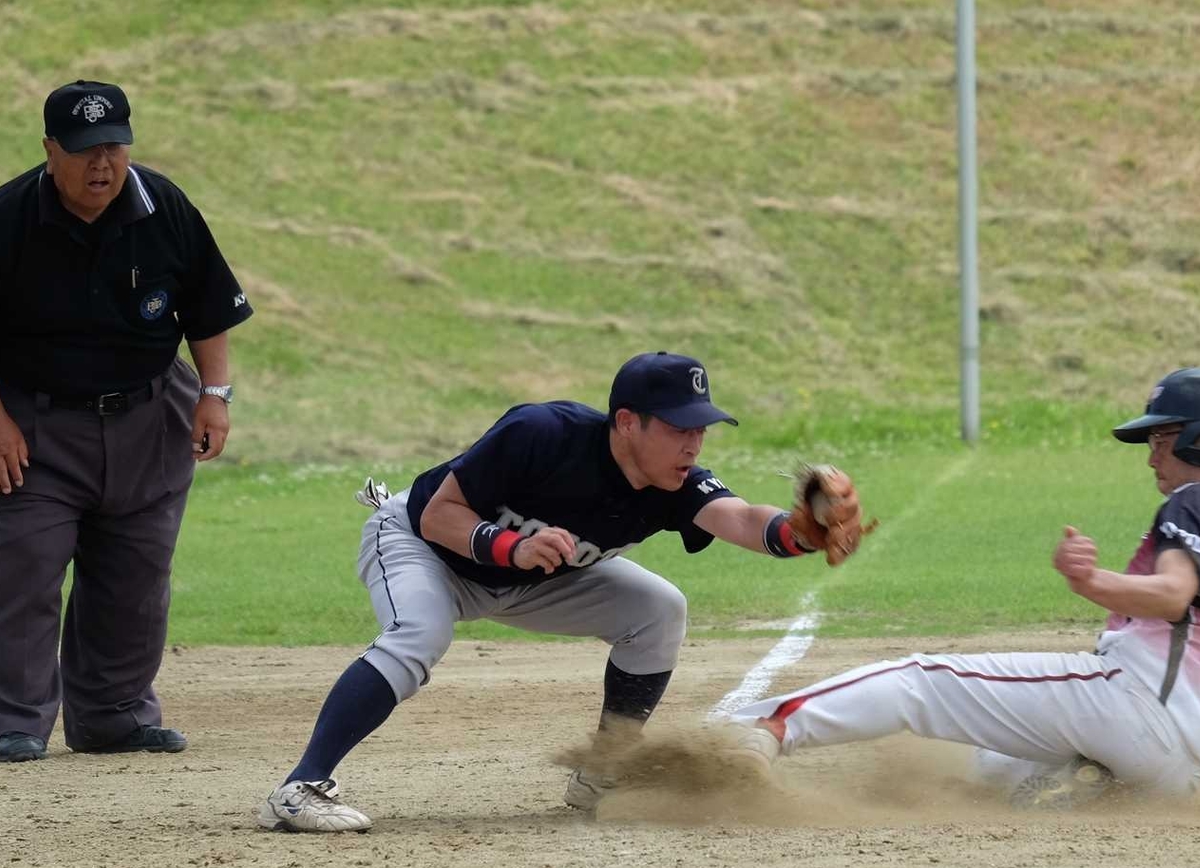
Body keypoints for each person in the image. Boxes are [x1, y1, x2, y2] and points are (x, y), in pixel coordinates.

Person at [257, 352, 864, 833]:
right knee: (419, 633)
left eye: (701, 428)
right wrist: (512, 549)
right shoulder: (540, 432)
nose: (693, 444)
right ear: (628, 422)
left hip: (531, 576)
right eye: (679, 427)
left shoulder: (675, 482)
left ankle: (601, 771)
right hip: (424, 547)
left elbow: (740, 518)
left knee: (659, 610)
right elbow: (439, 514)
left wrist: (801, 534)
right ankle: (302, 785)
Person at [732, 367, 1200, 805]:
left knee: (921, 681)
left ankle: (761, 733)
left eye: (1162, 438)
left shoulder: (1198, 499)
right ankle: (1083, 782)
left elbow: (1172, 595)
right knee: (990, 773)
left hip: (1130, 707)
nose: (1151, 455)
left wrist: (1089, 579)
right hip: (1183, 768)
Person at [0, 80, 249, 763]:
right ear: (49, 151)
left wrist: (215, 394)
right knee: (24, 570)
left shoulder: (165, 206)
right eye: (84, 150)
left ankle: (113, 718)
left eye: (113, 146)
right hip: (30, 425)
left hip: (150, 415)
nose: (102, 163)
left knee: (135, 574)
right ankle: (19, 724)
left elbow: (209, 309)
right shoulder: (2, 222)